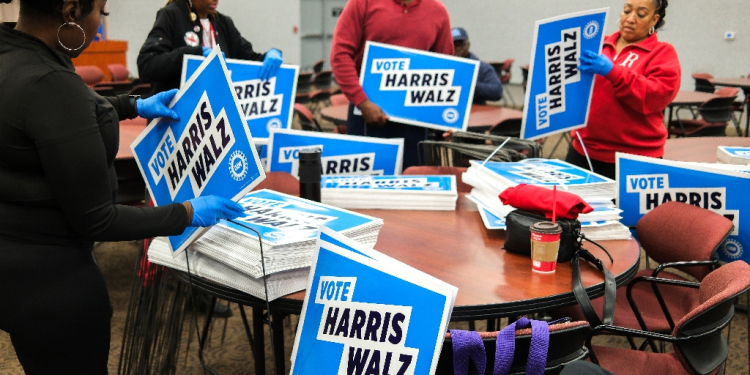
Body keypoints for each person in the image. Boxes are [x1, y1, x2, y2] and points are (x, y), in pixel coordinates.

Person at [0, 0, 246, 373]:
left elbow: (42, 117)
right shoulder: (52, 85)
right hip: (55, 291)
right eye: (103, 10)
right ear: (70, 12)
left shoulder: (10, 53)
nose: (101, 19)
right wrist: (188, 212)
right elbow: (98, 221)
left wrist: (130, 105)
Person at [330, 0, 454, 169]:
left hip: (415, 117)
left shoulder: (437, 11)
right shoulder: (362, 3)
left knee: (412, 182)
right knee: (364, 186)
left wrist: (446, 117)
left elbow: (445, 67)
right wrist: (362, 101)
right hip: (367, 112)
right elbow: (340, 55)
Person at [565, 0, 680, 180]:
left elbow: (655, 97)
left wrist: (613, 72)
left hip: (635, 158)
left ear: (654, 20)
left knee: (623, 209)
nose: (630, 19)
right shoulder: (598, 45)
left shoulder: (662, 53)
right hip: (584, 149)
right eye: (627, 11)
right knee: (573, 207)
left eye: (641, 14)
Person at [138, 0, 283, 95]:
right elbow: (147, 66)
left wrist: (271, 55)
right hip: (177, 119)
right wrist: (193, 54)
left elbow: (248, 59)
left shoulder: (223, 23)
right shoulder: (171, 15)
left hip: (213, 118)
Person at [452, 27, 503, 105]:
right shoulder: (441, 66)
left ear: (468, 45)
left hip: (475, 111)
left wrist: (472, 85)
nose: (458, 48)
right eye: (454, 45)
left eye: (461, 45)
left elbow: (497, 92)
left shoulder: (482, 67)